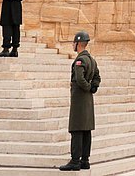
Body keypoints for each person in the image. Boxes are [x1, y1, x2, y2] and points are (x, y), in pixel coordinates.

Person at [59, 31, 101, 171]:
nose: (73, 45)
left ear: (78, 44)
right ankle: (85, 160)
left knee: (76, 129)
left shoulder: (80, 60)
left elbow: (79, 78)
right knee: (86, 130)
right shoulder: (92, 60)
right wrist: (93, 87)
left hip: (79, 99)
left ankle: (75, 160)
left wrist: (88, 87)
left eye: (73, 43)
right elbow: (97, 76)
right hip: (88, 100)